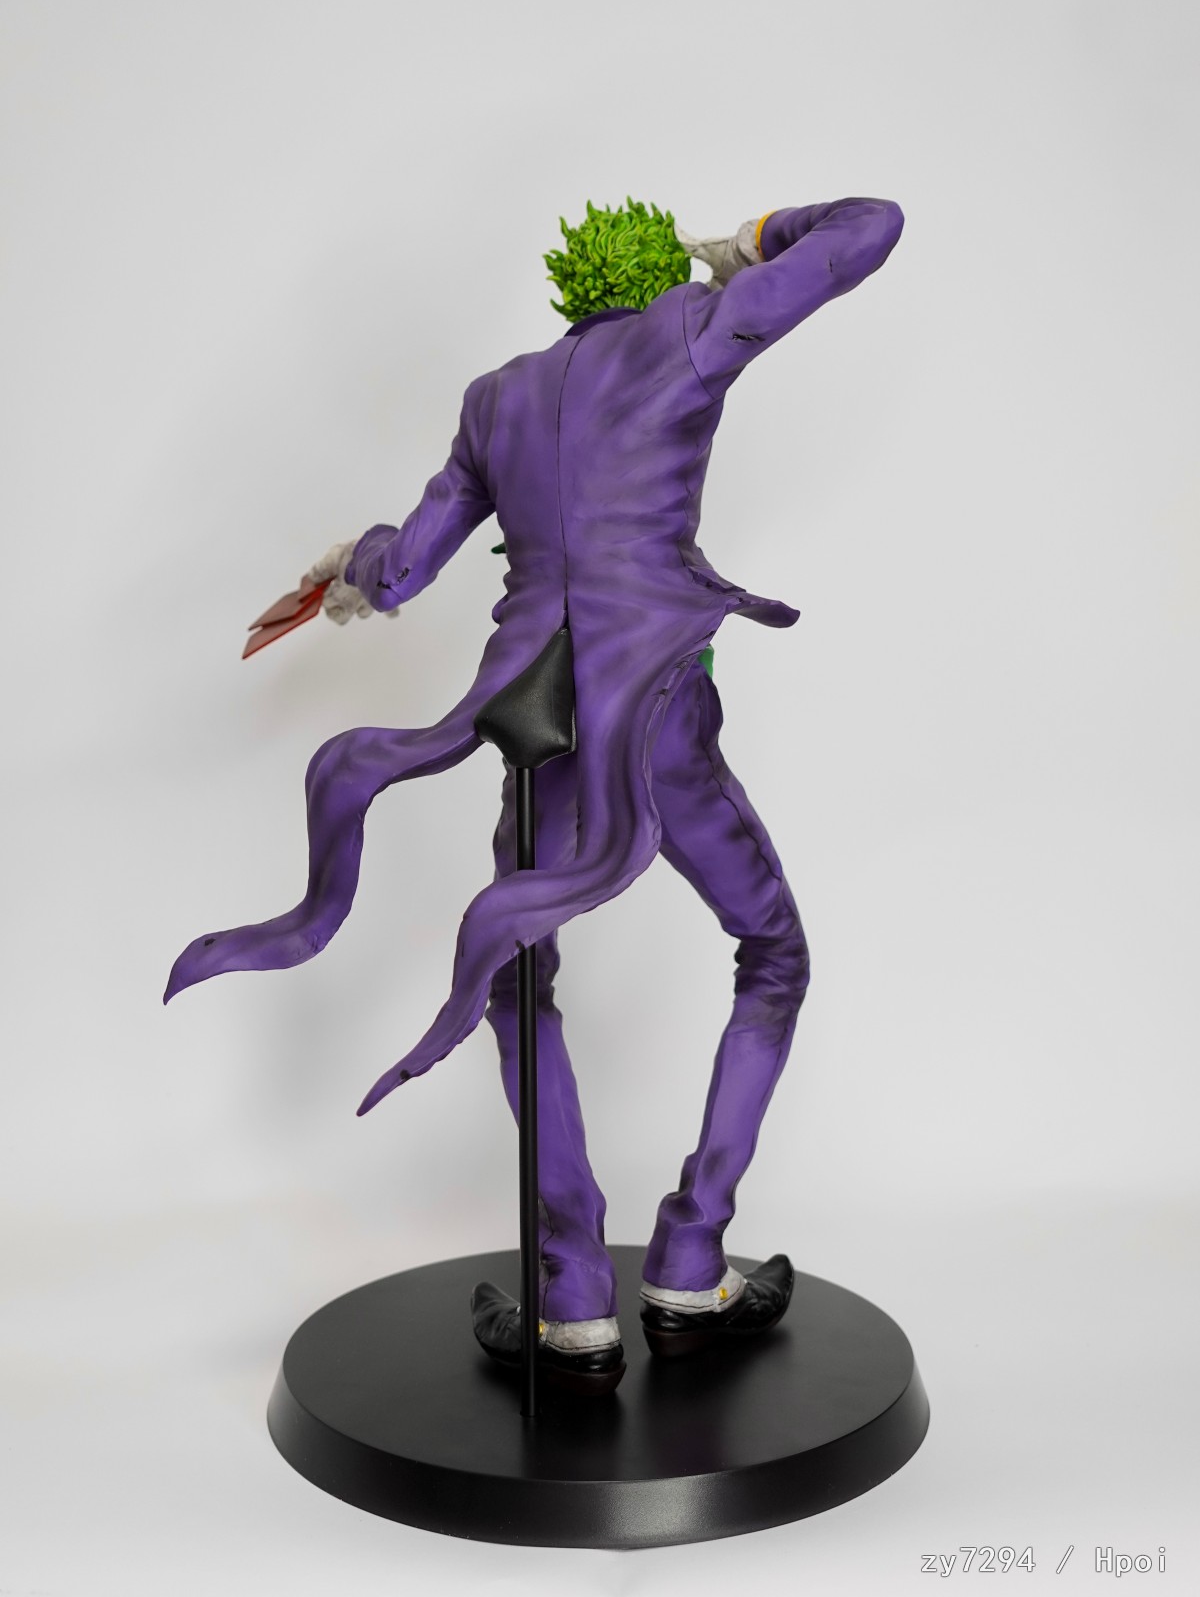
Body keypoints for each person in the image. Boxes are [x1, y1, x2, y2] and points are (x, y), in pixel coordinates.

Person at [166, 195, 904, 1393]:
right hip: (659, 710)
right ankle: (691, 1254)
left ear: (571, 284)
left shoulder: (495, 398)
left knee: (519, 979)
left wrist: (345, 567)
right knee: (771, 951)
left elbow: (401, 570)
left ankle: (572, 1291)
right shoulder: (693, 326)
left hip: (533, 720)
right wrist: (754, 239)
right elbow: (871, 227)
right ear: (654, 272)